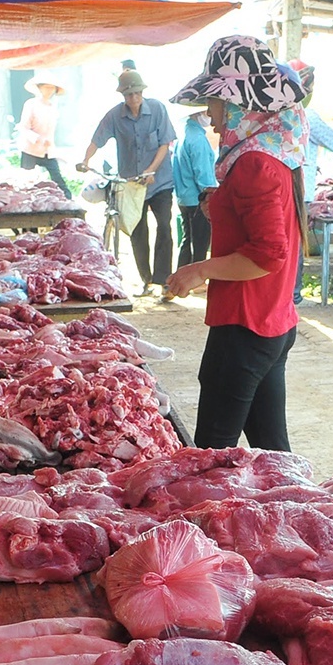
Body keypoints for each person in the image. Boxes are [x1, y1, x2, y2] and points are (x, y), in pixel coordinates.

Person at [166, 36, 307, 451]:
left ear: (239, 103)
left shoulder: (254, 164)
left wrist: (200, 269)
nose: (208, 114)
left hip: (245, 325)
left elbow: (268, 255)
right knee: (273, 452)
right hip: (271, 320)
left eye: (213, 102)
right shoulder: (274, 153)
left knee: (211, 452)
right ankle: (297, 512)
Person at [78, 69, 178, 294]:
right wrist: (85, 159)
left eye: (137, 93)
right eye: (129, 95)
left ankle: (164, 281)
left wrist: (151, 170)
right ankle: (146, 279)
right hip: (131, 184)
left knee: (164, 227)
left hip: (159, 181)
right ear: (123, 96)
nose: (134, 99)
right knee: (137, 230)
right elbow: (97, 140)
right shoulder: (114, 115)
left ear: (143, 92)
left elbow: (165, 143)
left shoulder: (158, 110)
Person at [284, 60, 333, 197]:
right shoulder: (307, 116)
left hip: (283, 185)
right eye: (311, 88)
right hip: (300, 188)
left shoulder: (278, 113)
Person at [172, 109, 218, 274]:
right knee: (200, 241)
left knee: (187, 239)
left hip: (183, 197)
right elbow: (203, 174)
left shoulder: (184, 136)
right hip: (198, 198)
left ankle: (179, 276)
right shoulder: (198, 139)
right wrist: (211, 196)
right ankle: (195, 279)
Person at [17, 73, 70, 194]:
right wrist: (38, 139)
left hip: (48, 151)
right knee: (26, 182)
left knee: (58, 179)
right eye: (46, 87)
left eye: (52, 88)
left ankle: (68, 201)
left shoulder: (52, 108)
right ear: (39, 88)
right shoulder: (30, 104)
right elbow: (23, 127)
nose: (49, 91)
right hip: (30, 150)